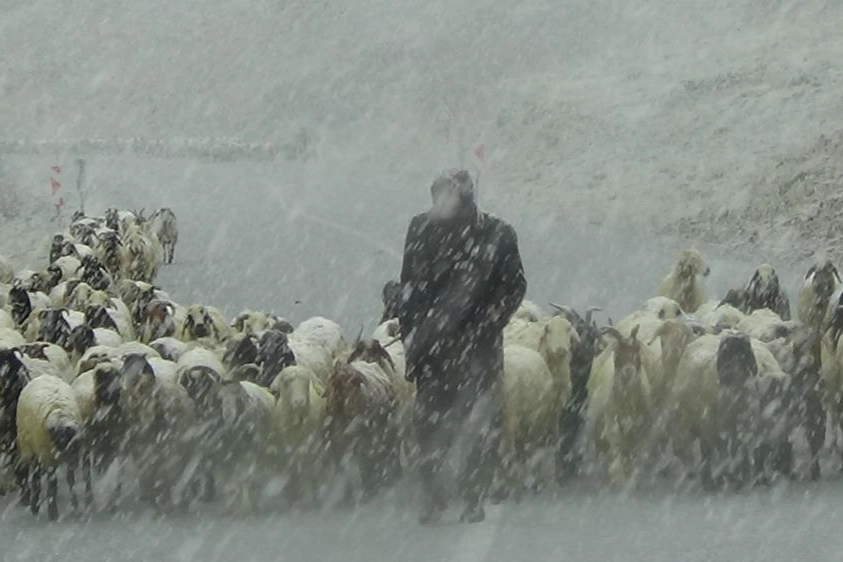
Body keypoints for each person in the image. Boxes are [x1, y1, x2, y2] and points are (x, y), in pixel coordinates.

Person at [398, 169, 526, 524]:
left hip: (477, 350)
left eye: (449, 197)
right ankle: (433, 495)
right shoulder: (420, 229)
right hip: (432, 350)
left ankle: (473, 495)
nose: (442, 205)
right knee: (429, 423)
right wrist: (412, 338)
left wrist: (494, 314)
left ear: (467, 201)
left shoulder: (498, 234)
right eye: (437, 197)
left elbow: (515, 285)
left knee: (477, 424)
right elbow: (410, 284)